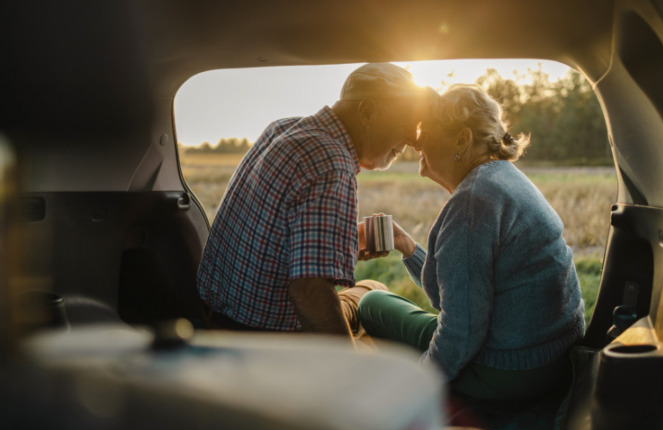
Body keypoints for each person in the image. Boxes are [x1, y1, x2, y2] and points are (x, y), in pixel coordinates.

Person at [358, 84, 586, 400]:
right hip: (552, 358)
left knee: (372, 303)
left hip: (508, 372)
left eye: (426, 131)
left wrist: (416, 387)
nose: (416, 141)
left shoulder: (472, 203)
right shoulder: (504, 178)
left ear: (462, 140)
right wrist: (408, 247)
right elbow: (462, 289)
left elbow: (460, 332)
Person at [196, 63, 432, 342]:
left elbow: (275, 245)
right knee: (374, 297)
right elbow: (310, 292)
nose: (411, 140)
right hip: (264, 339)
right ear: (367, 111)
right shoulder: (332, 164)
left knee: (371, 287)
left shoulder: (281, 128)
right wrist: (347, 369)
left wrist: (342, 242)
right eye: (406, 124)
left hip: (216, 315)